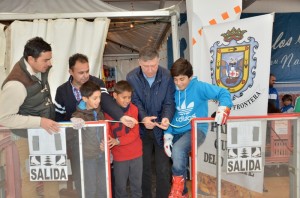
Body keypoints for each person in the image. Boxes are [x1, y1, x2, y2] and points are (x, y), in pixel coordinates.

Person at [55, 53, 137, 196]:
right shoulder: (62, 91)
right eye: (81, 72)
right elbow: (58, 118)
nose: (85, 75)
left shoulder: (98, 83)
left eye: (87, 71)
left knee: (104, 181)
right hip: (76, 146)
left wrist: (121, 117)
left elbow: (107, 102)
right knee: (82, 181)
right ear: (70, 72)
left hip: (99, 146)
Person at [0, 37, 60, 197]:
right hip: (26, 136)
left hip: (45, 130)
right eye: (45, 60)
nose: (49, 64)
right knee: (31, 177)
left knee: (52, 174)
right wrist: (40, 121)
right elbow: (4, 118)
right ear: (31, 59)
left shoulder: (39, 69)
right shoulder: (15, 85)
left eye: (50, 59)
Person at [164, 58, 233, 197]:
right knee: (177, 159)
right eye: (175, 79)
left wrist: (224, 107)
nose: (178, 83)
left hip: (196, 129)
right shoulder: (172, 90)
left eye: (182, 79)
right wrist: (168, 134)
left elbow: (223, 93)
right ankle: (182, 193)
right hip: (176, 132)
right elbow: (171, 113)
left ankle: (177, 191)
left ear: (190, 76)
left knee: (178, 150)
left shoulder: (199, 87)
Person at [126, 46, 175, 198]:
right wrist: (143, 118)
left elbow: (169, 101)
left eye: (153, 65)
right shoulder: (131, 77)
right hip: (141, 131)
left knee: (163, 169)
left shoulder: (167, 75)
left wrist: (166, 117)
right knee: (143, 168)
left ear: (158, 61)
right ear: (139, 62)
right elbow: (134, 101)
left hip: (161, 129)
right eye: (146, 66)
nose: (150, 70)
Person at [101, 80, 142, 198]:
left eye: (129, 97)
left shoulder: (133, 109)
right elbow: (107, 132)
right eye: (124, 97)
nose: (127, 100)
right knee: (120, 189)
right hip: (119, 156)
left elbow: (135, 133)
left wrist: (117, 141)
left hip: (136, 154)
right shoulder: (107, 112)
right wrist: (109, 147)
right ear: (114, 95)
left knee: (136, 187)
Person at [71, 80, 107, 197]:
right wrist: (75, 121)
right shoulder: (80, 113)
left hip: (102, 155)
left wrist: (106, 144)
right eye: (95, 98)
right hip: (88, 157)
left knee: (103, 187)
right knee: (90, 188)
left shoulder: (99, 110)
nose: (98, 100)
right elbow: (75, 118)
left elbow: (104, 131)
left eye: (99, 97)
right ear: (85, 99)